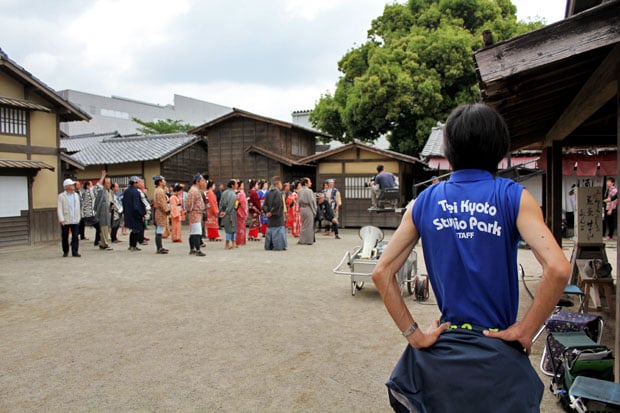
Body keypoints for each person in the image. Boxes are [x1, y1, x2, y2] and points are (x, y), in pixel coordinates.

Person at [371, 103, 571, 412]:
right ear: (499, 148)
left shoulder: (424, 202)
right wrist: (526, 330)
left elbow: (382, 272)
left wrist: (414, 334)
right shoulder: (513, 196)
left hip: (442, 353)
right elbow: (558, 269)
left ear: (448, 149)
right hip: (498, 353)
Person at [57, 178, 81, 257]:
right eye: (71, 185)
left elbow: (78, 206)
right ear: (66, 186)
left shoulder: (76, 195)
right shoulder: (61, 196)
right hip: (66, 218)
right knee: (65, 236)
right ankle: (65, 251)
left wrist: (79, 217)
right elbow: (59, 208)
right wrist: (61, 219)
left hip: (75, 218)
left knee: (75, 236)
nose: (73, 186)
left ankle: (75, 251)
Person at [122, 176, 147, 252]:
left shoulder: (126, 191)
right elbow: (136, 205)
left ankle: (132, 245)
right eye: (139, 182)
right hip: (135, 214)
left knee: (134, 230)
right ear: (135, 183)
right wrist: (141, 214)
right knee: (136, 230)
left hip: (128, 213)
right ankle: (133, 245)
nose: (140, 183)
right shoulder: (135, 192)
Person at [263, 176, 287, 251]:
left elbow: (265, 204)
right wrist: (271, 212)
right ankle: (278, 246)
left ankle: (269, 245)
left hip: (270, 218)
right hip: (277, 217)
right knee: (279, 231)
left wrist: (267, 212)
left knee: (270, 231)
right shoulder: (278, 193)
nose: (281, 185)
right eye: (280, 183)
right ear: (277, 184)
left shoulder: (269, 193)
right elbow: (277, 204)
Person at [187, 173, 207, 256]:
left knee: (194, 232)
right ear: (197, 182)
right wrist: (190, 211)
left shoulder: (195, 190)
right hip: (195, 213)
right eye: (202, 181)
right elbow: (189, 203)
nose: (204, 182)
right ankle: (197, 249)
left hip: (197, 213)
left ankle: (192, 249)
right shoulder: (193, 190)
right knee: (197, 232)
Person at [93, 172, 113, 251]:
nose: (109, 184)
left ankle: (102, 243)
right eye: (107, 183)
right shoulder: (101, 191)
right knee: (104, 228)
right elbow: (97, 202)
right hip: (102, 212)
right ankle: (105, 244)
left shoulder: (109, 191)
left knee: (106, 229)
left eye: (109, 183)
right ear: (104, 184)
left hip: (108, 212)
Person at [152, 175, 170, 254]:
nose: (165, 182)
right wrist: (167, 210)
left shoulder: (158, 190)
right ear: (160, 182)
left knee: (160, 230)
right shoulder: (159, 191)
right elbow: (161, 202)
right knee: (159, 230)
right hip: (160, 212)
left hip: (159, 211)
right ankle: (159, 248)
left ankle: (160, 247)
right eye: (163, 180)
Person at [81, 180, 101, 246]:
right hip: (89, 214)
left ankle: (97, 241)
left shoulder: (84, 192)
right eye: (91, 185)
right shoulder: (88, 192)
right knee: (99, 227)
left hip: (86, 213)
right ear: (87, 186)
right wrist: (103, 176)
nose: (92, 186)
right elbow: (97, 185)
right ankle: (97, 241)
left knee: (98, 227)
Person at [219, 179, 238, 249]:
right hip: (231, 212)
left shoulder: (224, 193)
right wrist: (227, 211)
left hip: (224, 211)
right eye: (236, 184)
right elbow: (231, 205)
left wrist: (221, 211)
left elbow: (220, 203)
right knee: (232, 229)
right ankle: (229, 244)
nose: (237, 185)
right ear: (232, 185)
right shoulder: (233, 194)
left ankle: (232, 243)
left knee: (228, 229)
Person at [297, 177, 316, 245]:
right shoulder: (309, 191)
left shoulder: (299, 191)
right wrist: (314, 210)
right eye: (309, 182)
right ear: (306, 183)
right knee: (309, 225)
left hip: (302, 208)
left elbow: (298, 201)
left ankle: (302, 239)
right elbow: (312, 201)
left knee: (304, 225)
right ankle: (308, 240)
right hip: (308, 208)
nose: (311, 183)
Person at [236, 180, 248, 246]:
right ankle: (241, 241)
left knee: (239, 227)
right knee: (241, 227)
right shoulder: (241, 194)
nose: (243, 186)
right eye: (242, 185)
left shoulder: (237, 193)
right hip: (241, 210)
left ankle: (239, 240)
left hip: (238, 210)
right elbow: (243, 203)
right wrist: (245, 210)